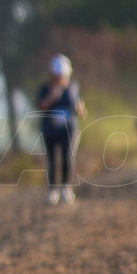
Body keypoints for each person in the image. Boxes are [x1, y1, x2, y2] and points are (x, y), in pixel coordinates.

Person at [37, 54, 86, 205]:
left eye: (62, 75)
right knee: (52, 160)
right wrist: (52, 96)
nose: (60, 78)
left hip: (68, 129)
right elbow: (41, 107)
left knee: (67, 158)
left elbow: (80, 109)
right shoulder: (45, 88)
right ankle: (52, 191)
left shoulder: (73, 87)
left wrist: (80, 108)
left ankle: (66, 188)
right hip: (50, 129)